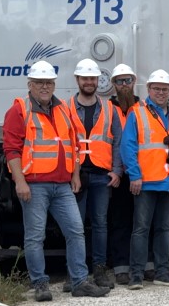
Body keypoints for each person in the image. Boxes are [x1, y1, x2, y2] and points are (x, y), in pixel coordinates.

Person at [2, 61, 109, 301]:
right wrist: (20, 182)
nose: (44, 86)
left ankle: (79, 282)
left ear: (54, 84)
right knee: (35, 236)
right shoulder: (19, 109)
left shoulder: (62, 109)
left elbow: (74, 144)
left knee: (75, 231)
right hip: (34, 184)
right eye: (39, 82)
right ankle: (40, 284)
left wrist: (74, 175)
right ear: (30, 84)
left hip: (62, 185)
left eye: (48, 82)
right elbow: (11, 149)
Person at [121, 69, 169, 289]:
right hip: (145, 180)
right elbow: (128, 146)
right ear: (149, 89)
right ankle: (136, 275)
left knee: (164, 228)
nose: (161, 92)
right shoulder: (137, 112)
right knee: (141, 228)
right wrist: (134, 175)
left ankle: (162, 272)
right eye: (157, 88)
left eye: (164, 89)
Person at [68, 59, 123, 289]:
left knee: (100, 224)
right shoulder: (65, 108)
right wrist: (71, 173)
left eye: (92, 78)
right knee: (75, 226)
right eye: (85, 78)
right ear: (77, 80)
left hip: (102, 174)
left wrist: (117, 170)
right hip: (77, 175)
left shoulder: (110, 109)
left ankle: (99, 271)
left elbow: (117, 141)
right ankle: (76, 275)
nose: (89, 82)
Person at [106, 64, 139, 285]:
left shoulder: (145, 107)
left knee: (143, 222)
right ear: (113, 85)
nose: (124, 85)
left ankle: (145, 265)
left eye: (127, 80)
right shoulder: (107, 108)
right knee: (120, 221)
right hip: (117, 174)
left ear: (133, 82)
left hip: (140, 173)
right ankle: (121, 267)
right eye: (119, 81)